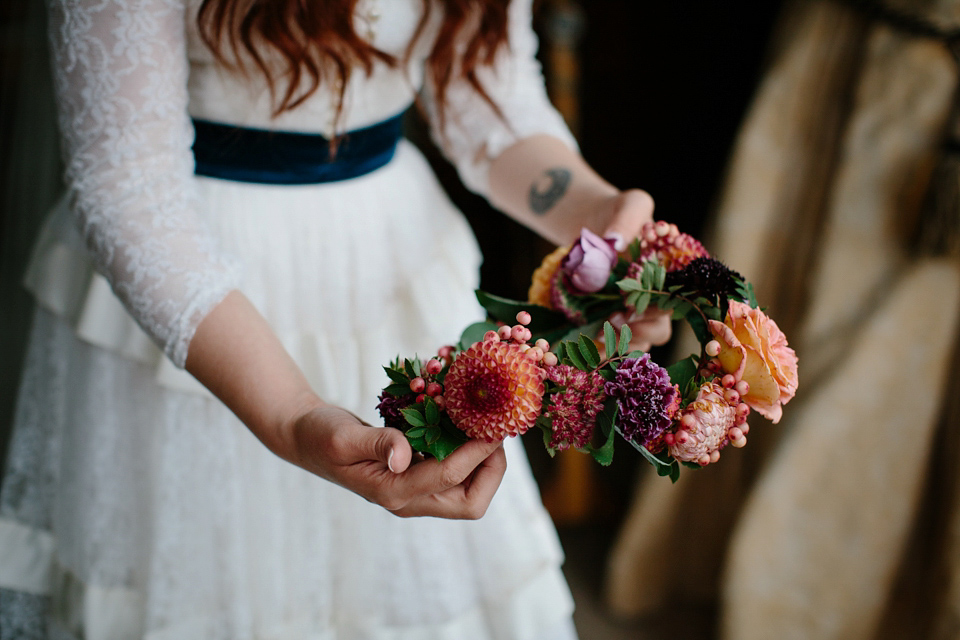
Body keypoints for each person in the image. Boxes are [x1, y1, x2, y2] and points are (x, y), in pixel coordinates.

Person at [0, 0, 670, 637]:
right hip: (195, 282)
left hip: (389, 247)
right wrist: (291, 419)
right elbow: (128, 181)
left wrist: (597, 223)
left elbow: (489, 101)